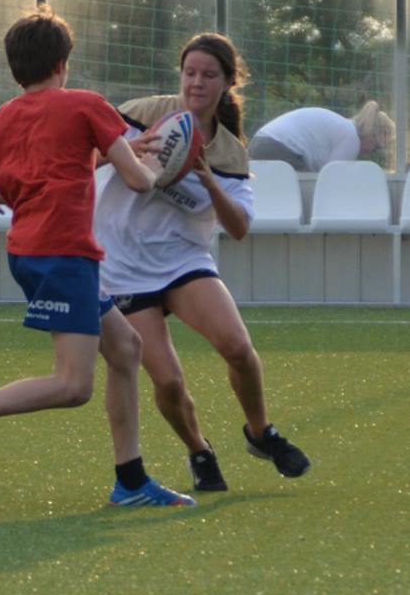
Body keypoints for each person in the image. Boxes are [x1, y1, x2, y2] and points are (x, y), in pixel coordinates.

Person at [0, 6, 195, 508]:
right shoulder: (86, 104)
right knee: (73, 385)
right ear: (63, 62)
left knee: (126, 348)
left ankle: (131, 482)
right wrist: (156, 166)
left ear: (15, 67)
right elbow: (138, 181)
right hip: (63, 255)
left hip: (31, 253)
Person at [95, 34, 312, 493]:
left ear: (228, 82)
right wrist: (125, 151)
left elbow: (238, 227)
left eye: (209, 75)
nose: (196, 82)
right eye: (189, 72)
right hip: (123, 266)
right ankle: (199, 450)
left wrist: (209, 181)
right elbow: (81, 155)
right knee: (169, 382)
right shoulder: (141, 113)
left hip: (182, 260)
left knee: (238, 348)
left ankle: (260, 433)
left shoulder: (231, 152)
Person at [247, 100, 410, 171]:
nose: (372, 151)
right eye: (377, 147)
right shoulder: (351, 140)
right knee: (305, 193)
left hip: (261, 141)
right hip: (280, 147)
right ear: (372, 137)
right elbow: (332, 178)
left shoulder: (342, 128)